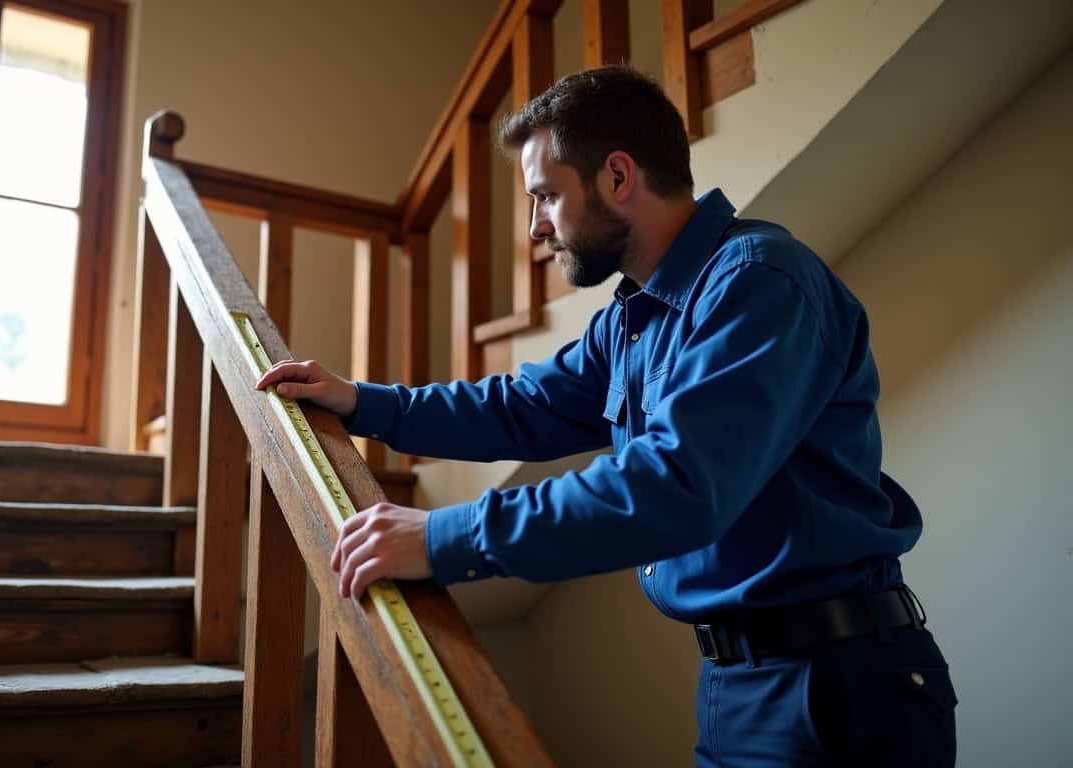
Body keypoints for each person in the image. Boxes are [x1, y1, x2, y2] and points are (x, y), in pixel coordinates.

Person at [256, 65, 956, 767]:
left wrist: (446, 536)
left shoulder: (758, 282)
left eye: (546, 196)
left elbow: (675, 484)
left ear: (618, 177)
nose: (535, 226)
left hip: (840, 688)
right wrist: (361, 401)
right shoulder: (632, 316)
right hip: (734, 679)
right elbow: (523, 408)